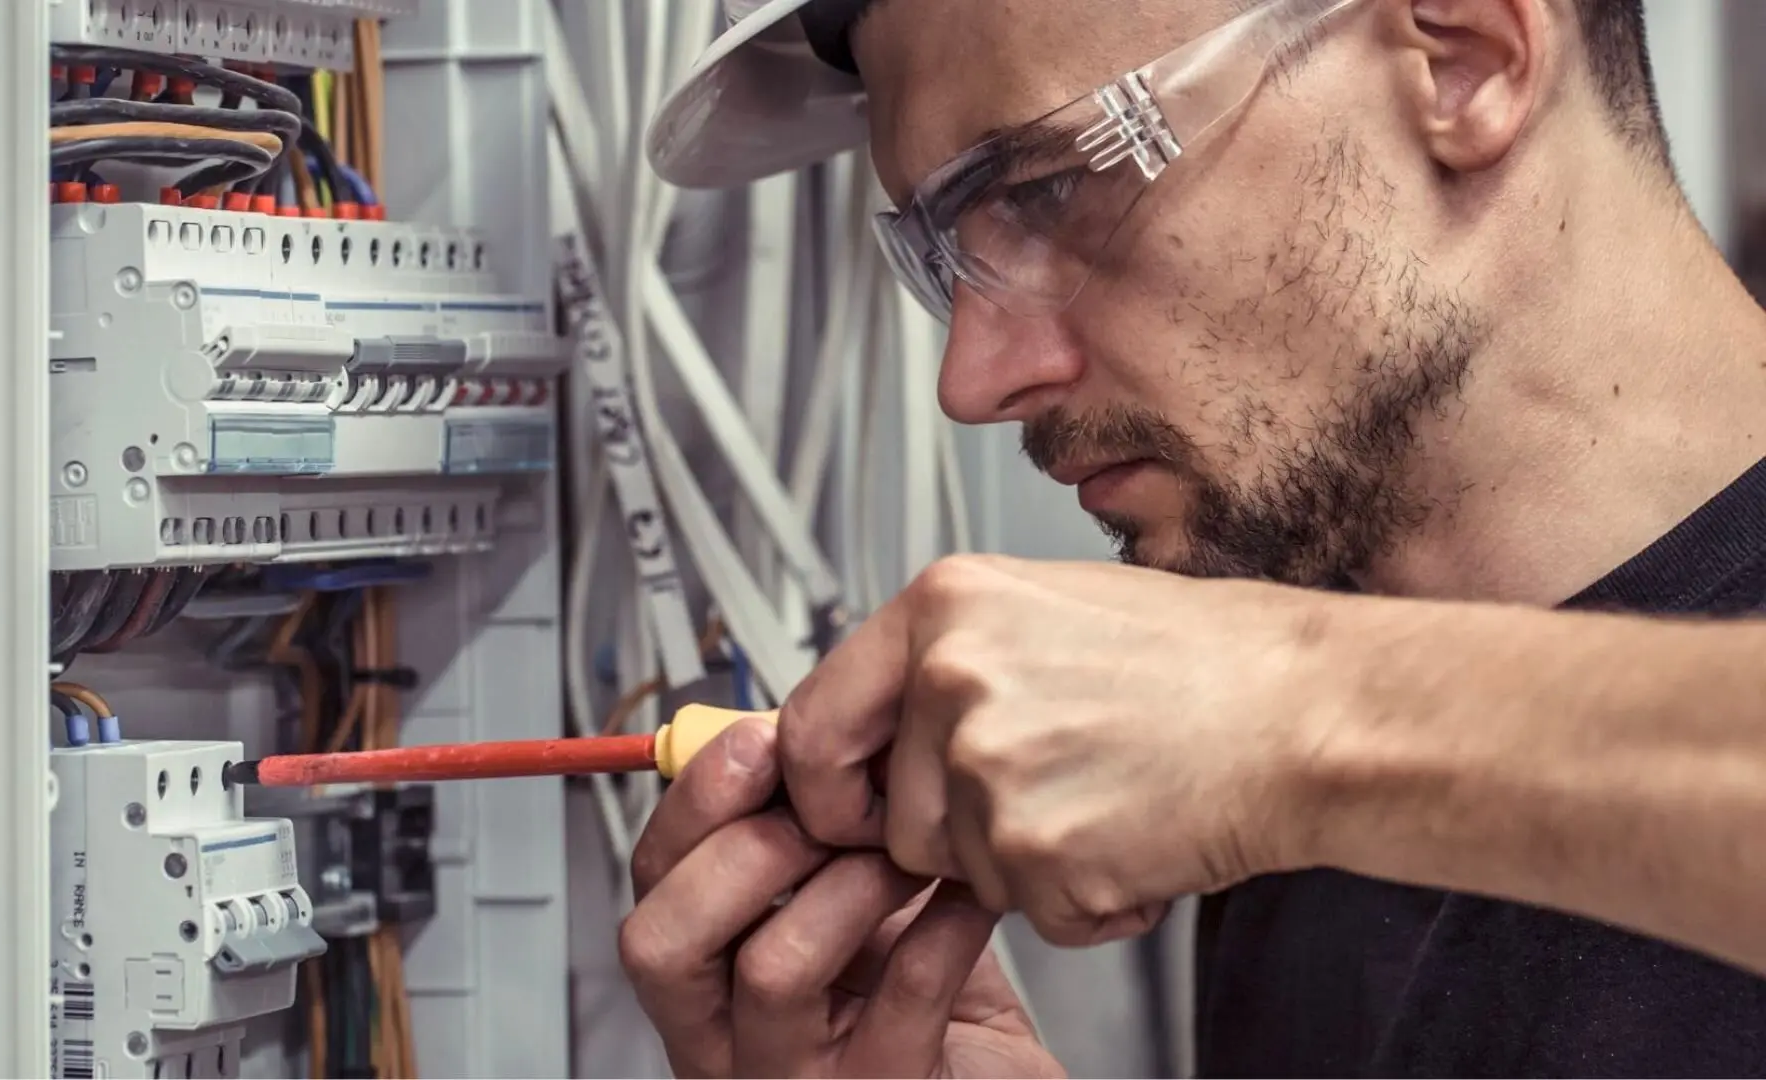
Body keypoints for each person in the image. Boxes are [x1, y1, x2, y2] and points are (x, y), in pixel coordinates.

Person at [622, 0, 1766, 1075]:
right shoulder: (1296, 752)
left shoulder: (1293, 735)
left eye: (1049, 187)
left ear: (1465, 59)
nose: (972, 382)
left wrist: (1297, 722)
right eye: (945, 257)